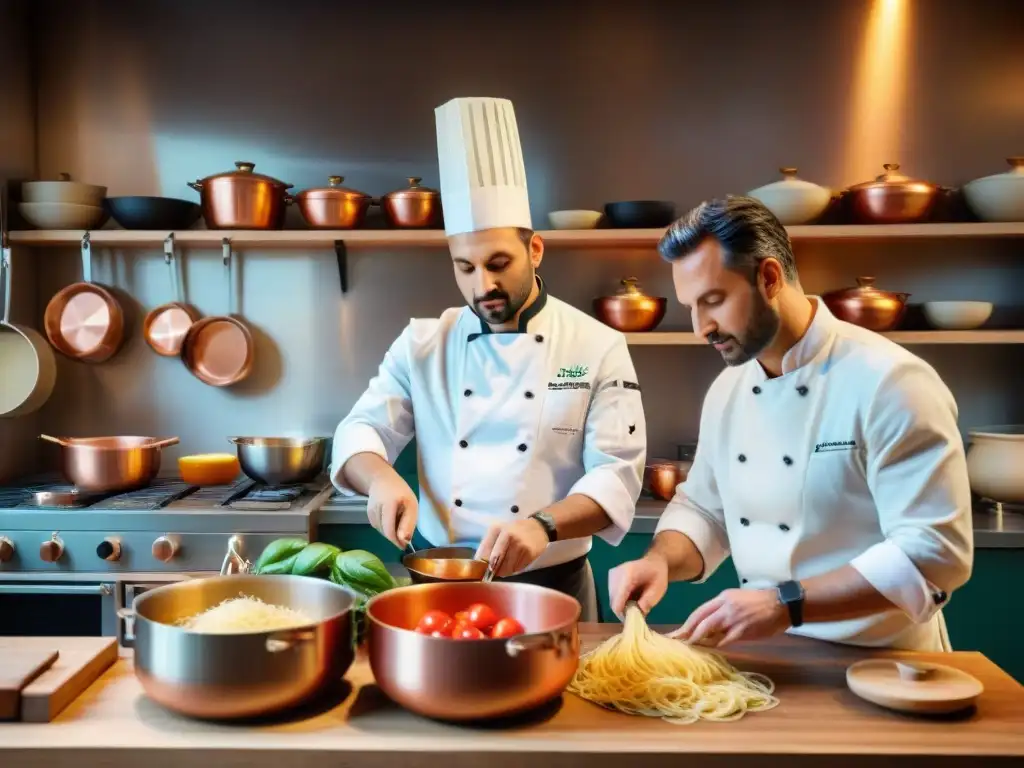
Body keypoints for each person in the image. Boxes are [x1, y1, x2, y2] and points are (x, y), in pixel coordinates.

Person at [609, 195, 973, 651]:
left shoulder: (891, 382)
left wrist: (784, 604)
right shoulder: (728, 390)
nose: (701, 327)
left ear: (768, 277)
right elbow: (705, 509)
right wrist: (660, 561)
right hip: (773, 654)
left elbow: (936, 554)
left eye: (714, 300)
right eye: (690, 307)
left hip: (886, 664)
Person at [331, 97, 647, 621]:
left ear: (536, 250)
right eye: (466, 268)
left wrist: (543, 526)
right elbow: (359, 431)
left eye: (499, 263)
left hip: (556, 584)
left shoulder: (595, 344)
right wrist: (381, 478)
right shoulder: (423, 343)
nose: (485, 285)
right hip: (439, 580)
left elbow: (616, 476)